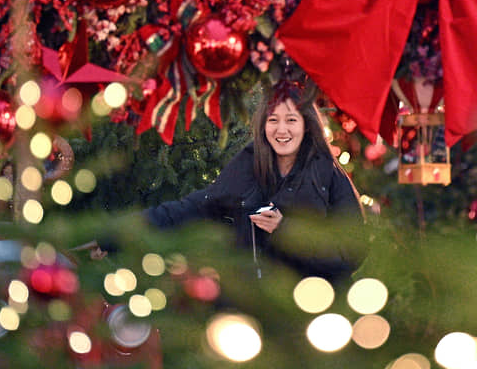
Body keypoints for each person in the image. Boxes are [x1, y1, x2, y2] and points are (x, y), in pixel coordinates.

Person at [145, 79, 364, 282]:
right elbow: (194, 207)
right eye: (273, 120)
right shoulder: (246, 167)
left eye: (291, 120)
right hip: (252, 307)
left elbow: (351, 253)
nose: (281, 130)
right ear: (263, 125)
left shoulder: (328, 175)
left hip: (314, 308)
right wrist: (121, 230)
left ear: (306, 125)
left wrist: (285, 230)